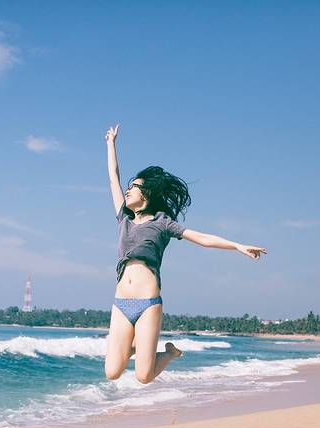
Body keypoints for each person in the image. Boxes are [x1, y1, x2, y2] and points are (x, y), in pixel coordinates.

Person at [104, 123, 267, 384]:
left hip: (147, 303)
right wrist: (111, 144)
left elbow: (201, 238)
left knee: (144, 376)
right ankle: (135, 347)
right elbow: (113, 177)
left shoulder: (163, 223)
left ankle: (169, 353)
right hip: (121, 302)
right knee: (112, 372)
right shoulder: (123, 219)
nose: (128, 189)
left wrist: (237, 245)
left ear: (146, 194)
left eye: (134, 186)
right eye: (129, 185)